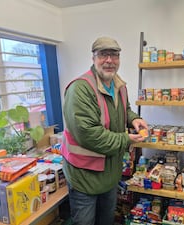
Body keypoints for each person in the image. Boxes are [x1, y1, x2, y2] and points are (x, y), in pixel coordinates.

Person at [61, 36, 148, 225]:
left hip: (109, 174)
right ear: (93, 58)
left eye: (114, 55)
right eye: (103, 54)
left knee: (106, 220)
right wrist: (127, 139)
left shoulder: (119, 85)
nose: (109, 60)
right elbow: (89, 135)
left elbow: (124, 110)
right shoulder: (80, 89)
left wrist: (134, 119)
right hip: (84, 176)